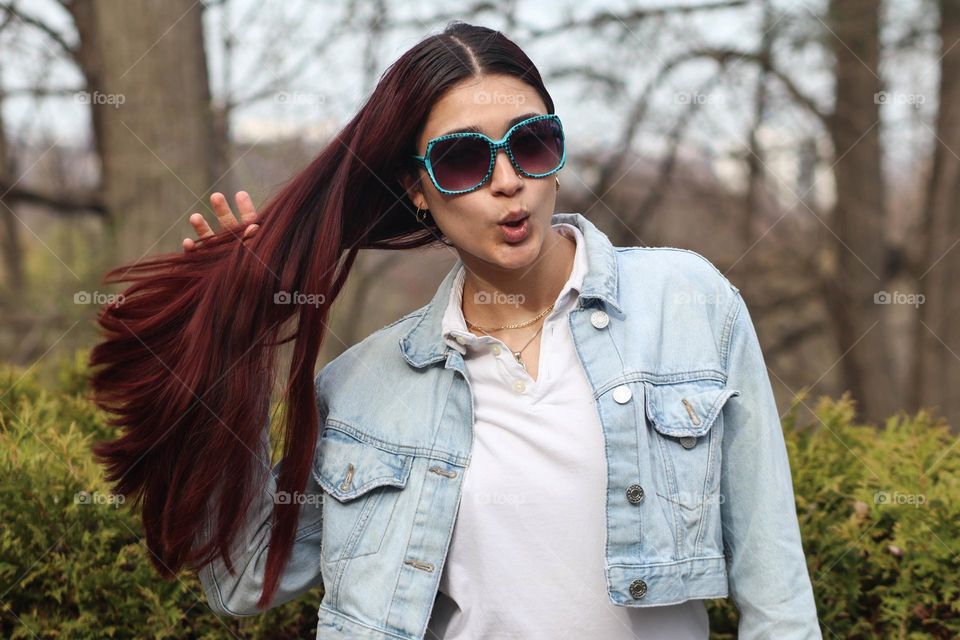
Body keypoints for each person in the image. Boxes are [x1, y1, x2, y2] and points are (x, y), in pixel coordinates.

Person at [90, 21, 821, 640]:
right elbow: (246, 579)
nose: (508, 181)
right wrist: (236, 343)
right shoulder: (365, 390)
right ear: (417, 189)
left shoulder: (688, 304)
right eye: (464, 159)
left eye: (531, 144)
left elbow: (776, 591)